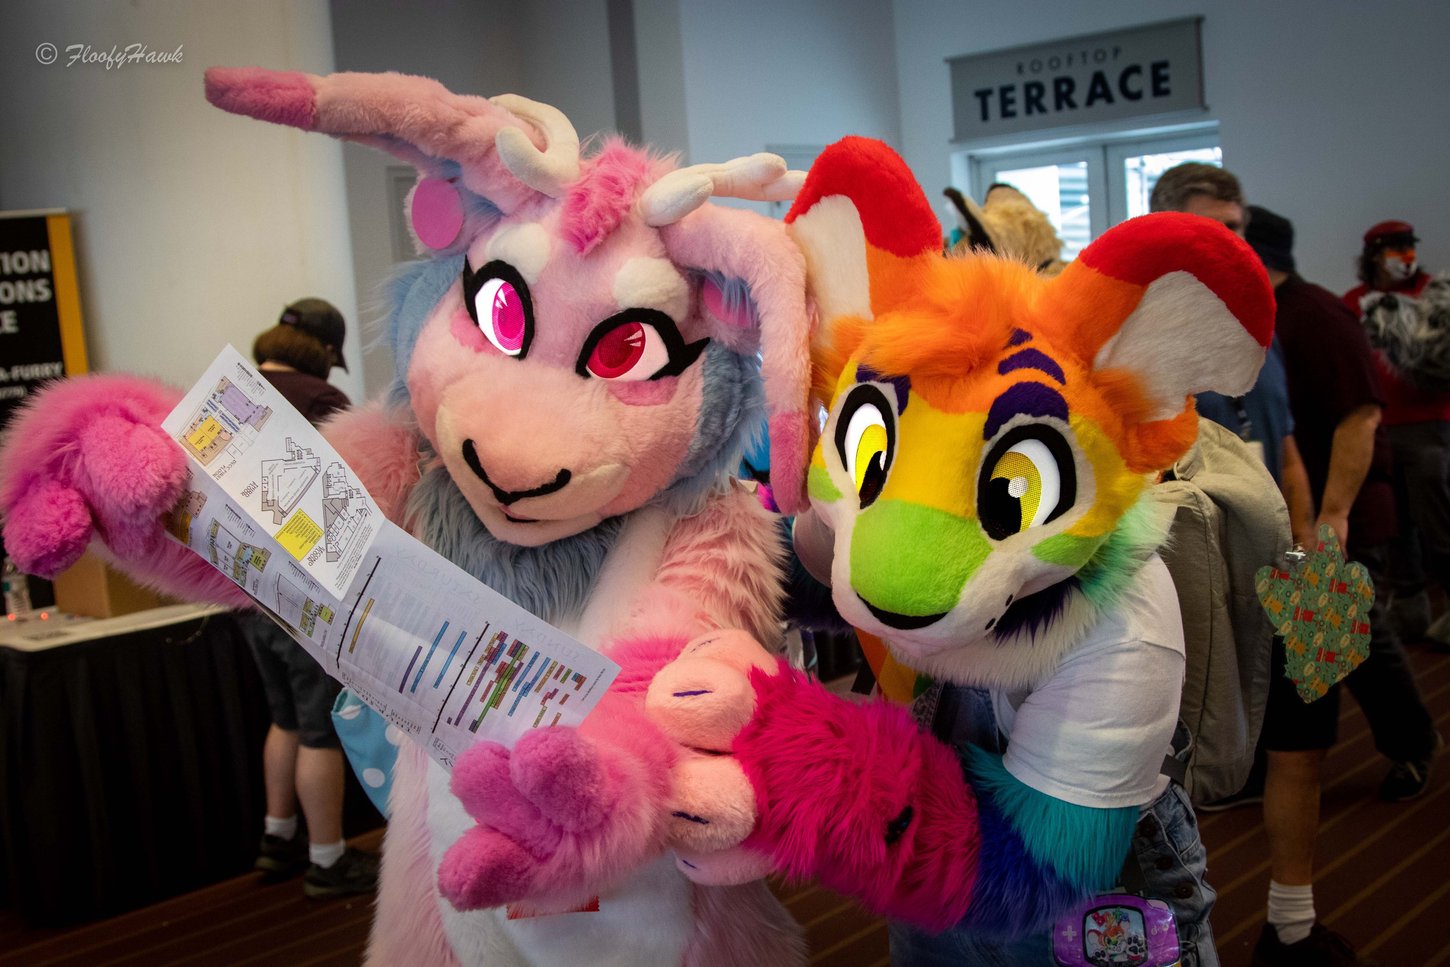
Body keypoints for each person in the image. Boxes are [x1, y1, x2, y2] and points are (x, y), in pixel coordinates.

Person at [1243, 207, 1441, 965]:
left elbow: (1360, 418)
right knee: (1351, 640)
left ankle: (1415, 741)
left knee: (1350, 643)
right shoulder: (1258, 317)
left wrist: (1331, 517)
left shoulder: (1318, 316)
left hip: (1332, 521)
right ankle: (1409, 735)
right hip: (1293, 528)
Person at [242, 298, 378, 898]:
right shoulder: (321, 400)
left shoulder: (235, 393)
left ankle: (278, 839)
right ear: (324, 351)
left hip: (243, 587)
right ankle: (327, 860)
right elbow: (348, 500)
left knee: (285, 718)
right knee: (320, 726)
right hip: (302, 592)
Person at [1343, 221, 1450, 648]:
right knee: (1396, 522)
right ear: (1374, 255)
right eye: (1396, 249)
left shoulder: (1434, 296)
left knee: (1438, 519)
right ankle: (1409, 611)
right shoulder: (1354, 303)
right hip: (1377, 429)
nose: (1406, 257)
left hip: (1429, 427)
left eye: (1410, 248)